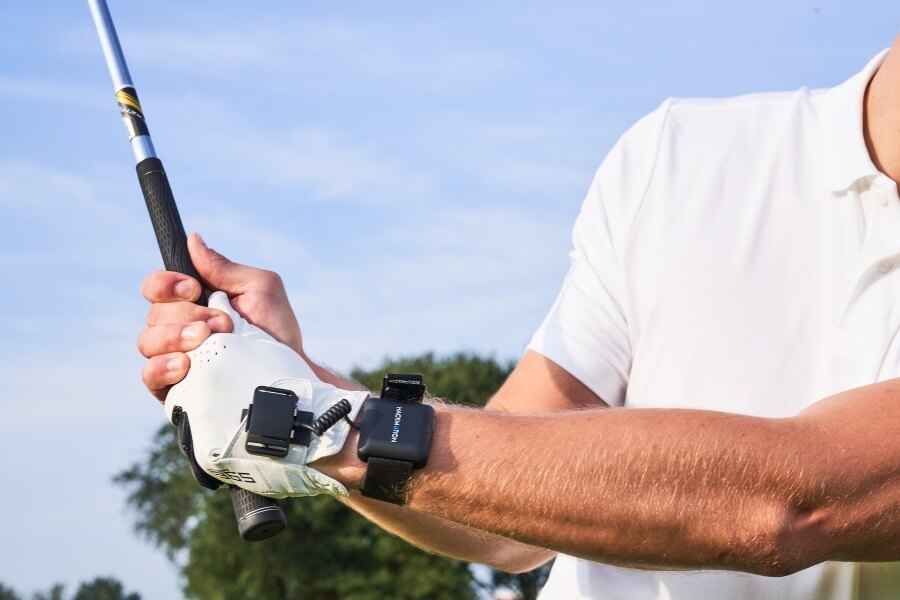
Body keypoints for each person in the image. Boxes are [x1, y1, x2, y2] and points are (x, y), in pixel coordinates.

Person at [137, 35, 900, 600]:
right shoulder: (678, 154)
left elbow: (795, 505)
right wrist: (298, 377)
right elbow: (502, 523)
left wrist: (313, 424)